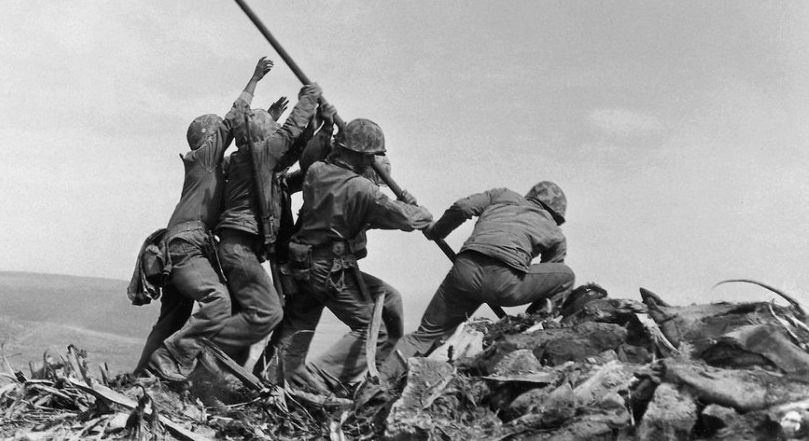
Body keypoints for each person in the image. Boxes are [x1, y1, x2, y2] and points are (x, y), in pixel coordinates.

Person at [133, 57, 278, 380]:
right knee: (218, 301)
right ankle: (173, 359)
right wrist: (254, 80)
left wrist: (269, 120)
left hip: (177, 247)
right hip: (187, 246)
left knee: (172, 319)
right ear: (209, 139)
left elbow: (250, 150)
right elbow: (233, 121)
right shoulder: (203, 159)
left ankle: (141, 377)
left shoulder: (211, 169)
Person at [274, 118, 433, 391]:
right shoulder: (363, 189)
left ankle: (276, 381)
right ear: (360, 155)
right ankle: (319, 378)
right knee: (374, 330)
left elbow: (358, 211)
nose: (372, 161)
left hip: (303, 264)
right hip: (330, 268)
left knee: (298, 330)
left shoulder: (317, 172)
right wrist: (417, 209)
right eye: (371, 155)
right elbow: (407, 219)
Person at [381, 181, 575, 378]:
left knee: (423, 336)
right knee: (566, 276)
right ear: (557, 214)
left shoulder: (502, 195)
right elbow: (548, 280)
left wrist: (436, 231)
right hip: (505, 282)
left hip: (465, 271)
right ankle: (531, 330)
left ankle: (378, 381)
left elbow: (463, 207)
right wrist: (530, 318)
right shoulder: (555, 232)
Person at [208, 81, 325, 365]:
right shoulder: (259, 155)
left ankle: (216, 375)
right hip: (239, 249)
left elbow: (291, 150)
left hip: (237, 249)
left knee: (243, 318)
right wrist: (308, 99)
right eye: (271, 132)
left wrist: (317, 128)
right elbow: (289, 134)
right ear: (263, 136)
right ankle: (199, 347)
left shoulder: (247, 160)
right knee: (270, 313)